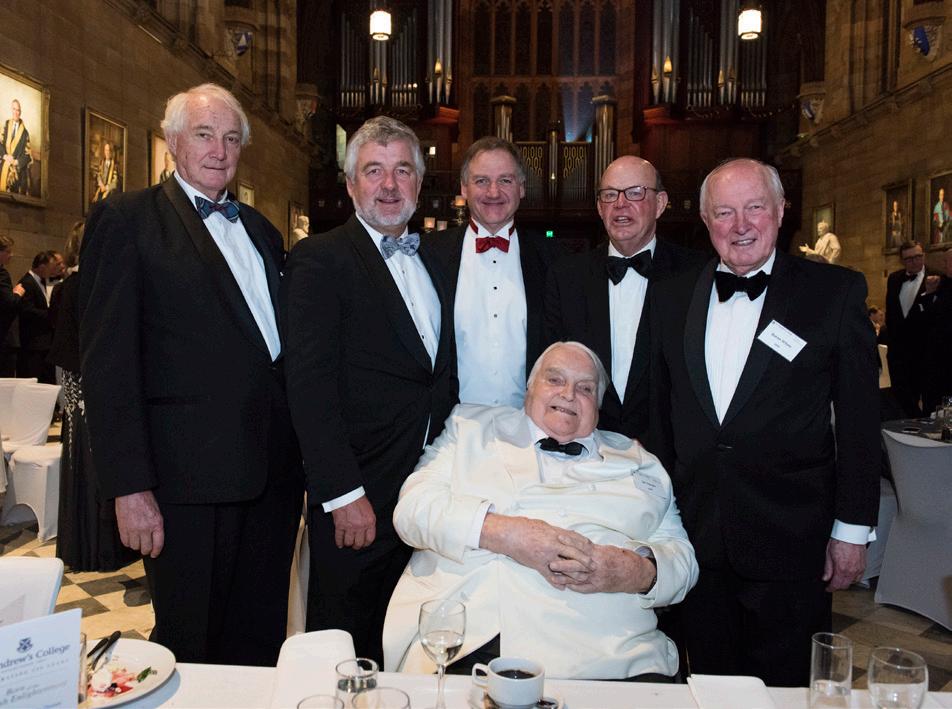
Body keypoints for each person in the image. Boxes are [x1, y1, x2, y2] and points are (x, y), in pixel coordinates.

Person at [78, 83, 303, 666]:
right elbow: (108, 366)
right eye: (204, 135)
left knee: (259, 643)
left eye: (231, 138)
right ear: (173, 141)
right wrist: (129, 488)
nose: (219, 151)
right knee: (190, 647)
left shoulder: (262, 230)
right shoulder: (127, 221)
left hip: (272, 481)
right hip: (186, 487)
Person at [647, 158, 880, 687]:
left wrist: (851, 531)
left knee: (787, 687)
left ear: (780, 211)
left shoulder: (833, 293)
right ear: (705, 221)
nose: (741, 225)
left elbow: (860, 425)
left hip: (792, 537)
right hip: (697, 536)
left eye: (754, 208)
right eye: (724, 212)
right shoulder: (671, 295)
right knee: (709, 683)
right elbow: (662, 420)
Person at [383, 341, 698, 679]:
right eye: (555, 380)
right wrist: (508, 535)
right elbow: (413, 509)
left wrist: (631, 571)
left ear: (598, 406)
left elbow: (682, 559)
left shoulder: (639, 461)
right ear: (529, 390)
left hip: (614, 649)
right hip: (482, 637)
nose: (568, 394)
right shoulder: (471, 428)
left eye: (585, 388)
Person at [283, 116, 456, 664]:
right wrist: (342, 494)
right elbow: (308, 386)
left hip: (427, 491)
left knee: (409, 642)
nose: (389, 184)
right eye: (374, 170)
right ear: (351, 183)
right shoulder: (320, 258)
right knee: (346, 646)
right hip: (360, 498)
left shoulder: (436, 260)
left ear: (419, 182)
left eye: (402, 170)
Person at [544, 156, 704, 439]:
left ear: (660, 203)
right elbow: (552, 371)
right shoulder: (566, 277)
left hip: (667, 445)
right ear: (599, 207)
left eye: (635, 192)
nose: (620, 204)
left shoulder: (696, 275)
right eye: (609, 194)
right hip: (587, 441)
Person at [424, 136, 557, 407]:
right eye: (481, 181)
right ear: (464, 188)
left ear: (521, 188)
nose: (493, 192)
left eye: (505, 180)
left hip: (528, 420)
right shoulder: (429, 255)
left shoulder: (554, 260)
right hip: (451, 420)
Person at [50, 222, 134, 572]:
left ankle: (85, 545)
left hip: (76, 377)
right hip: (89, 380)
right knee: (95, 459)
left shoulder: (70, 285)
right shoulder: (89, 283)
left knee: (82, 459)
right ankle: (101, 548)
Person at [884, 240, 941, 416]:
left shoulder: (937, 278)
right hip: (899, 355)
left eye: (918, 256)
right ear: (902, 261)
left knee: (930, 402)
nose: (914, 261)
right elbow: (891, 314)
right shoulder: (894, 279)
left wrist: (929, 295)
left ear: (924, 255)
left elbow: (938, 317)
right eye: (909, 259)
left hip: (926, 354)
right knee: (902, 402)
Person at [16, 250, 63, 382]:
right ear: (42, 267)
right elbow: (27, 311)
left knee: (46, 379)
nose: (53, 270)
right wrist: (51, 315)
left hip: (43, 343)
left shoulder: (41, 281)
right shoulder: (27, 282)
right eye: (51, 266)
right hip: (33, 344)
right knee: (34, 379)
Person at [923, 248, 952, 414]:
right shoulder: (941, 284)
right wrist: (929, 293)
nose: (944, 265)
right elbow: (929, 317)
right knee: (936, 405)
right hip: (938, 358)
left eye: (947, 261)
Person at [0, 235, 26, 375]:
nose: (11, 255)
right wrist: (17, 293)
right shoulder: (2, 274)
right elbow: (9, 304)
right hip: (4, 338)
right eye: (8, 251)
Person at [0, 99, 31, 194]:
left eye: (18, 110)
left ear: (20, 112)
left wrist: (16, 162)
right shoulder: (5, 125)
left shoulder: (25, 133)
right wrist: (5, 155)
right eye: (14, 109)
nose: (16, 112)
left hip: (16, 169)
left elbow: (28, 155)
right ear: (11, 110)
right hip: (3, 163)